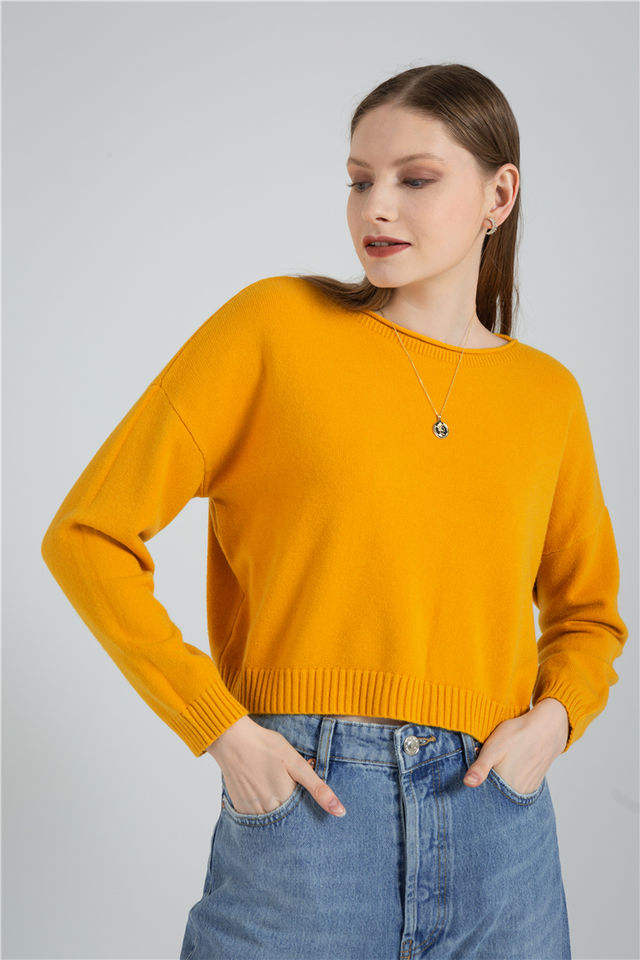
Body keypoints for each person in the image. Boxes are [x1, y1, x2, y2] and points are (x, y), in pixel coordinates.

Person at [41, 62, 628, 960]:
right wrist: (222, 729)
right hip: (308, 810)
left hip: (498, 828)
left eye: (415, 179)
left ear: (498, 195)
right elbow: (88, 535)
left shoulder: (547, 395)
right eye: (359, 181)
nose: (375, 208)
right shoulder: (274, 327)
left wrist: (552, 724)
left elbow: (589, 617)